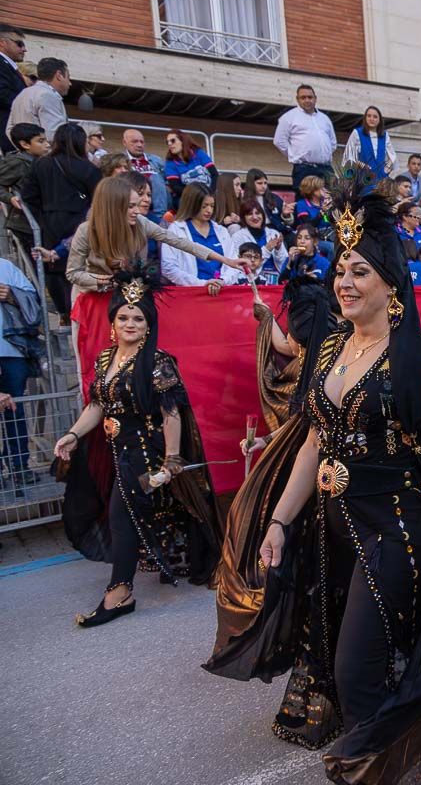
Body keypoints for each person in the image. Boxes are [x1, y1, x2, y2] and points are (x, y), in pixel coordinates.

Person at [252, 169, 421, 778]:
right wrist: (281, 519)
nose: (345, 282)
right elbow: (314, 439)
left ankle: (376, 766)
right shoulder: (332, 349)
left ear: (392, 284)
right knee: (343, 648)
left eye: (360, 271)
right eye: (341, 270)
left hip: (395, 528)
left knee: (356, 667)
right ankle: (384, 745)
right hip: (332, 526)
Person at [204, 276, 343, 748]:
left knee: (325, 594)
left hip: (348, 500)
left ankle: (329, 698)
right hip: (307, 496)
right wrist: (266, 443)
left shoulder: (333, 358)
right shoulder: (319, 357)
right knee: (315, 593)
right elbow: (303, 435)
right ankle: (316, 697)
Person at [54, 267, 223, 626]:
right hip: (119, 450)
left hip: (148, 451)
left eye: (138, 318)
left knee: (122, 514)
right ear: (112, 323)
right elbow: (97, 406)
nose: (130, 323)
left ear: (148, 325)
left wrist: (173, 459)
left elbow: (171, 411)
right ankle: (149, 571)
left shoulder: (157, 361)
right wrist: (72, 435)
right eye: (123, 317)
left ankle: (119, 593)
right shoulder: (104, 359)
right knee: (133, 514)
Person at [67, 177, 246, 301]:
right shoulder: (85, 231)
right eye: (131, 206)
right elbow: (73, 273)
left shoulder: (140, 223)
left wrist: (226, 260)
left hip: (122, 298)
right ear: (113, 207)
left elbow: (181, 243)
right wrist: (103, 281)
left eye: (137, 205)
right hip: (89, 299)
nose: (137, 211)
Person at [21, 122, 102, 315]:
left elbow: (28, 196)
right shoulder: (88, 168)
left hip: (49, 224)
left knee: (54, 269)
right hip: (80, 223)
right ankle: (80, 312)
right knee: (79, 269)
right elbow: (100, 199)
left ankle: (65, 313)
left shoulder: (41, 164)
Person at [0, 254, 40, 487]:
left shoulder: (5, 266)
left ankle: (19, 466)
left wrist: (12, 295)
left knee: (15, 409)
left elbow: (33, 300)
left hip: (12, 351)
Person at [164, 183, 235, 291]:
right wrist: (201, 283)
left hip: (221, 293)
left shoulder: (222, 231)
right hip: (190, 294)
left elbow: (233, 263)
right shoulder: (176, 230)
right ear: (192, 204)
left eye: (212, 206)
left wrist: (222, 281)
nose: (209, 211)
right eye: (204, 206)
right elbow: (168, 268)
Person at [274, 84, 336, 191]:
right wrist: (295, 155)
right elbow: (279, 141)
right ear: (297, 99)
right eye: (303, 97)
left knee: (334, 201)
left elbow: (333, 142)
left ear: (315, 99)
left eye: (310, 97)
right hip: (304, 169)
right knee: (304, 203)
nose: (307, 100)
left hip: (326, 168)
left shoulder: (324, 118)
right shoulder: (289, 117)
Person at [0, 122, 47, 253]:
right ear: (25, 144)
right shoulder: (18, 163)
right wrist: (10, 198)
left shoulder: (41, 161)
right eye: (40, 141)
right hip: (24, 223)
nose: (47, 144)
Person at [5, 57, 68, 142]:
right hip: (44, 154)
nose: (70, 83)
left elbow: (9, 129)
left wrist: (23, 149)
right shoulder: (47, 95)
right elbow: (53, 135)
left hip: (24, 151)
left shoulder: (22, 94)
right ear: (59, 75)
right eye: (68, 77)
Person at [230, 200, 287, 282]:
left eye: (257, 213)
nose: (255, 217)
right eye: (250, 214)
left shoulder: (273, 233)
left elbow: (283, 262)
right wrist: (267, 249)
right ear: (243, 218)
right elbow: (239, 265)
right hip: (251, 281)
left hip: (275, 281)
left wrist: (278, 249)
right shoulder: (238, 237)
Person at [122, 129, 170, 219]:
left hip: (158, 205)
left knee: (156, 178)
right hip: (133, 205)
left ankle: (161, 216)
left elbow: (168, 181)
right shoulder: (121, 160)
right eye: (135, 141)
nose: (139, 145)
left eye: (142, 142)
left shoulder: (156, 160)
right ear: (124, 142)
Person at [163, 129, 218, 203]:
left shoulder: (198, 153)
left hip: (209, 191)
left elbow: (214, 174)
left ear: (182, 141)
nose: (169, 144)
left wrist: (210, 193)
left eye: (173, 140)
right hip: (188, 196)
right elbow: (176, 187)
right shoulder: (170, 163)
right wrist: (197, 195)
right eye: (167, 142)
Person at [341, 105, 395, 179]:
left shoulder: (384, 135)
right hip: (362, 178)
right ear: (365, 118)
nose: (371, 119)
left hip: (380, 179)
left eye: (375, 117)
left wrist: (385, 170)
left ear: (380, 120)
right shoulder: (357, 133)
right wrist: (361, 165)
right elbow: (349, 155)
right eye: (369, 116)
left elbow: (392, 156)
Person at [0, 24, 28, 155]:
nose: (24, 49)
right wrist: (27, 106)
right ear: (2, 43)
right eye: (19, 44)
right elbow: (3, 94)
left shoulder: (8, 66)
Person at [246, 167, 294, 239]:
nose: (263, 186)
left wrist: (286, 215)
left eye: (265, 183)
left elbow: (289, 223)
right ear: (251, 184)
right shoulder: (244, 200)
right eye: (259, 183)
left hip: (278, 229)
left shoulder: (274, 198)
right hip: (256, 232)